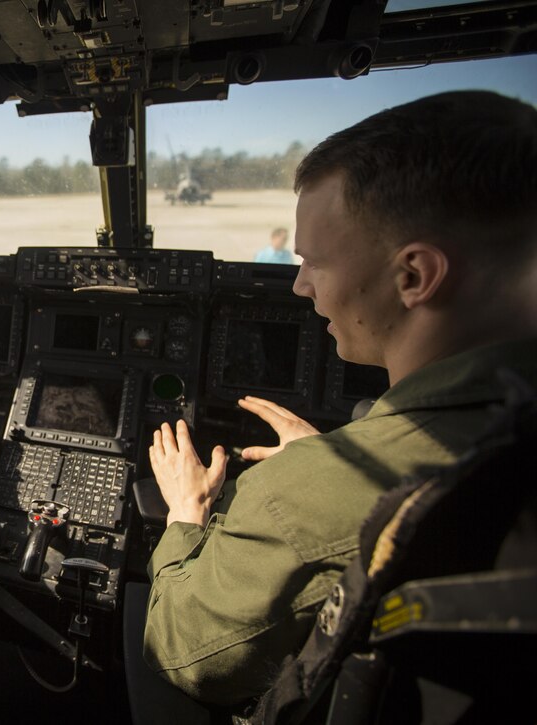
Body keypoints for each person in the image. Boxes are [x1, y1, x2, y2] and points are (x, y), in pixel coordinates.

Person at [142, 90, 537, 709]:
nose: (300, 286)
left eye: (313, 263)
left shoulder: (300, 493)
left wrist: (186, 514)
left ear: (412, 276)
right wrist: (332, 458)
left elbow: (182, 653)